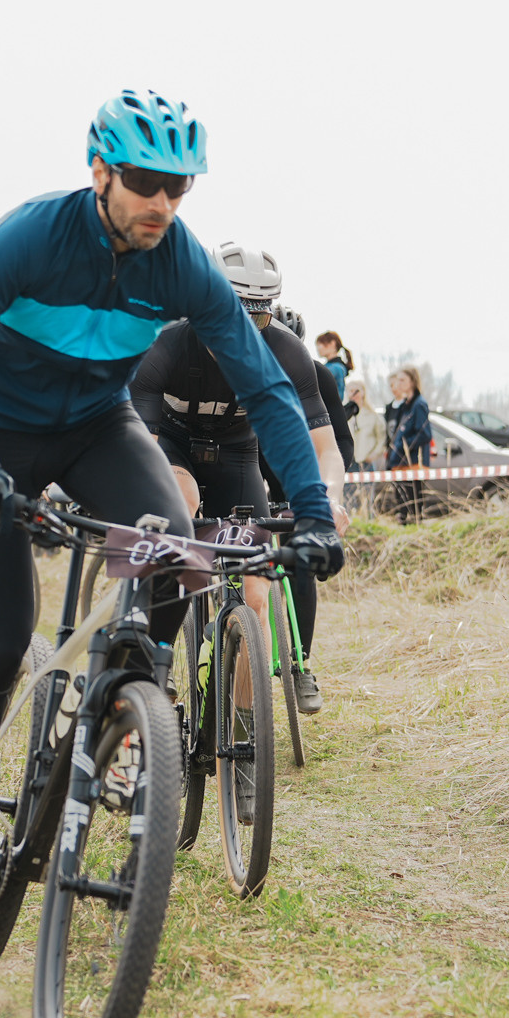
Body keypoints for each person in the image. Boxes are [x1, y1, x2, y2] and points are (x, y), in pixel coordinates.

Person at [0, 88, 345, 946]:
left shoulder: (180, 262)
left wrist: (317, 512)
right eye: (145, 181)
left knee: (180, 554)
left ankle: (124, 712)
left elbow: (267, 389)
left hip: (97, 429)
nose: (163, 204)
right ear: (100, 169)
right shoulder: (33, 236)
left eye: (180, 186)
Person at [132, 242, 347, 717]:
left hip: (236, 454)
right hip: (170, 446)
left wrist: (330, 498)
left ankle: (246, 729)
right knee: (178, 511)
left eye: (259, 319)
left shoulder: (286, 353)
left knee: (255, 591)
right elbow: (138, 445)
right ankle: (153, 666)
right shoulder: (165, 344)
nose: (243, 333)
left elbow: (326, 450)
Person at [383, 367, 434, 523]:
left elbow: (424, 434)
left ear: (413, 381)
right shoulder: (405, 404)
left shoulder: (419, 404)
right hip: (399, 459)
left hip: (412, 460)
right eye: (397, 380)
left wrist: (405, 446)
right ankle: (405, 523)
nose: (398, 383)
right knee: (401, 498)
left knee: (413, 498)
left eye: (402, 380)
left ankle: (416, 524)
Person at [314, 330, 354, 399]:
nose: (318, 348)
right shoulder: (333, 367)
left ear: (332, 343)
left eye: (320, 344)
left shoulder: (336, 368)